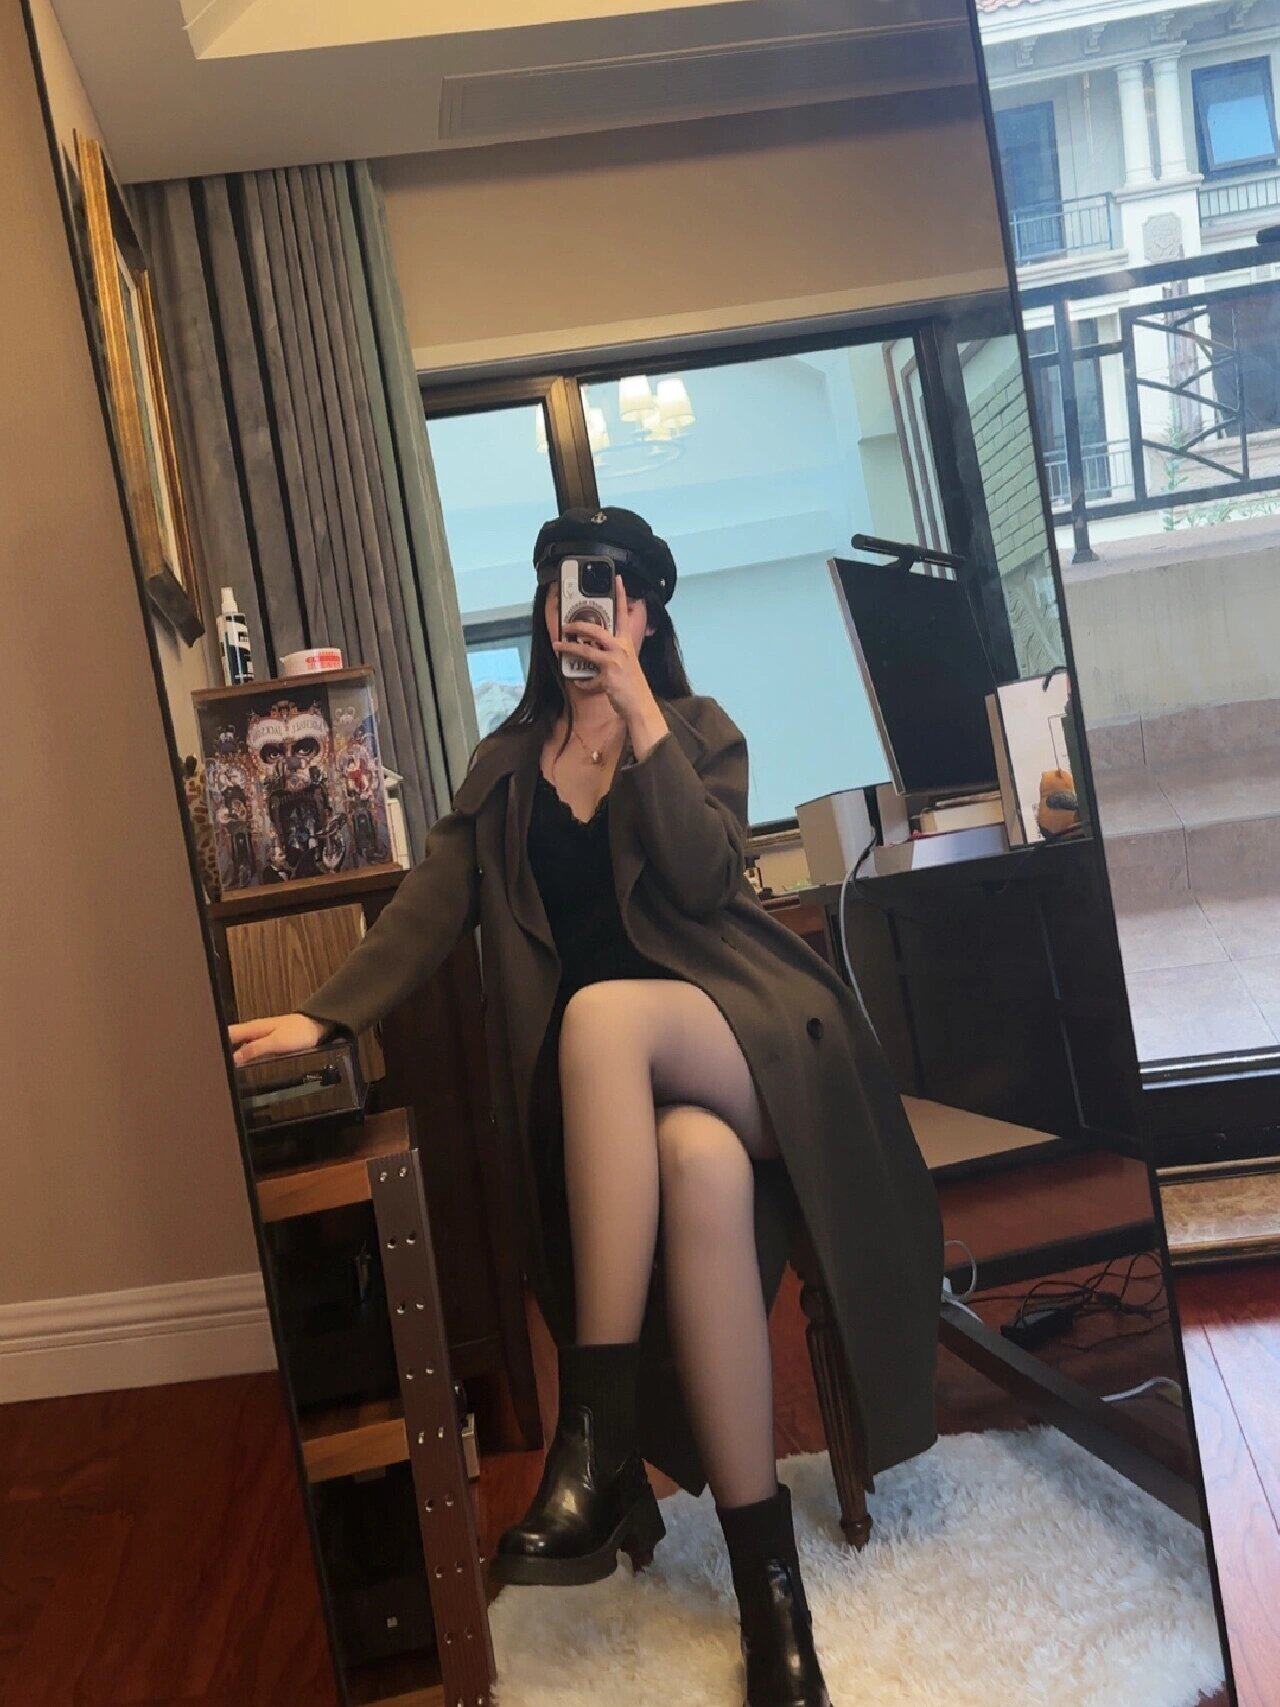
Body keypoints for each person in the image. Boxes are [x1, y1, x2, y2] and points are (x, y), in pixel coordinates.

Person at [229, 505, 945, 1707]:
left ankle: (594, 1432)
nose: (588, 611)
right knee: (697, 1169)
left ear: (646, 613)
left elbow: (705, 881)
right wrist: (326, 1015)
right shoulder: (506, 768)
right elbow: (426, 905)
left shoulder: (697, 731)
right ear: (544, 608)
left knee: (605, 1014)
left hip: (754, 1041)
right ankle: (770, 1596)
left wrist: (642, 719)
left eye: (613, 589)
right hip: (632, 1110)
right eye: (569, 587)